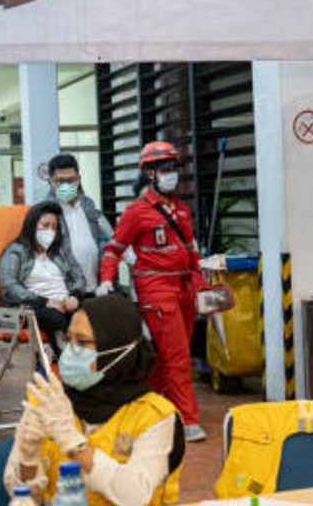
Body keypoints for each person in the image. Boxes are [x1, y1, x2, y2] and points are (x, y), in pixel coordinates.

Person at [3, 295, 186, 506]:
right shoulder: (51, 403)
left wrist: (75, 443)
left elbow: (135, 496)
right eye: (68, 339)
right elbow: (25, 497)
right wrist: (28, 459)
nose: (70, 351)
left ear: (119, 351)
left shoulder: (156, 416)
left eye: (82, 342)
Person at [96, 141, 207, 443]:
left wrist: (201, 281)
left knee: (164, 357)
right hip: (156, 291)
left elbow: (190, 250)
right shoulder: (136, 212)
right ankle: (188, 419)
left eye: (174, 169)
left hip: (183, 288)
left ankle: (134, 405)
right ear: (149, 173)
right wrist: (106, 280)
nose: (172, 175)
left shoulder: (182, 210)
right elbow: (113, 249)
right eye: (165, 170)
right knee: (178, 356)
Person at [0, 202, 87, 353]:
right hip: (34, 306)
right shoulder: (15, 251)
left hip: (65, 302)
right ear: (32, 225)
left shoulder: (60, 251)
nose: (50, 231)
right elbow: (8, 284)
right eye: (45, 225)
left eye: (54, 227)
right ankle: (65, 358)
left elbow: (78, 276)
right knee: (55, 318)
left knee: (93, 312)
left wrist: (75, 296)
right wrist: (45, 302)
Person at [45, 154, 114, 291]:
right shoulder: (44, 212)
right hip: (64, 293)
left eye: (71, 180)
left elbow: (109, 235)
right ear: (50, 182)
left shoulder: (88, 205)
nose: (66, 186)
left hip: (95, 288)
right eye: (60, 181)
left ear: (79, 180)